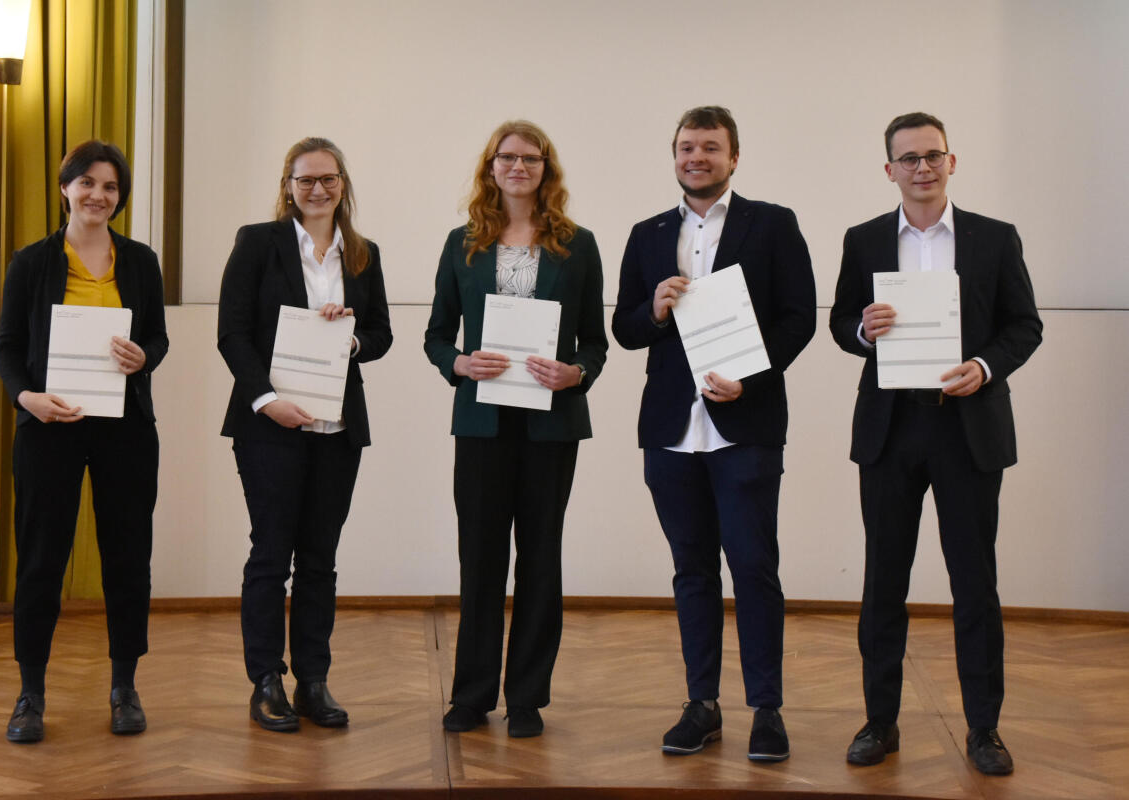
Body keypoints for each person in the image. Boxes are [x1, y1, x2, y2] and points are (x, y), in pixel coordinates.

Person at [829, 112, 1042, 775]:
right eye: (908, 158)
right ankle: (880, 722)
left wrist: (983, 366)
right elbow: (841, 321)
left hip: (968, 428)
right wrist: (862, 330)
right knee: (883, 582)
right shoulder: (864, 239)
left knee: (975, 583)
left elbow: (1024, 326)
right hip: (890, 430)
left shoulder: (995, 238)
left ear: (952, 161)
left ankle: (984, 730)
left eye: (932, 155)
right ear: (888, 170)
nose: (921, 168)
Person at [611, 106, 816, 762]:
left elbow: (799, 318)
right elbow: (624, 328)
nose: (696, 157)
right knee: (691, 571)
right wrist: (653, 310)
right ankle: (701, 704)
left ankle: (766, 710)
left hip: (745, 427)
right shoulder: (648, 233)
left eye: (709, 147)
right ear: (674, 156)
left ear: (734, 157)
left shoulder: (773, 224)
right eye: (685, 147)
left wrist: (750, 379)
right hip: (671, 431)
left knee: (754, 568)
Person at [424, 120, 607, 739]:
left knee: (540, 560)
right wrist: (459, 363)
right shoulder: (462, 243)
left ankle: (527, 697)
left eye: (531, 158)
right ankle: (471, 696)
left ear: (546, 169)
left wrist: (575, 372)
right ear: (491, 167)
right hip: (481, 423)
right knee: (479, 559)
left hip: (551, 427)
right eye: (507, 157)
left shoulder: (578, 245)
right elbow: (436, 334)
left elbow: (595, 342)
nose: (519, 167)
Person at [0, 140, 168, 743]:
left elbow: (157, 338)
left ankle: (124, 688)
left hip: (125, 429)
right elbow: (8, 347)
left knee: (128, 558)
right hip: (49, 428)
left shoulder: (140, 261)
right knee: (41, 559)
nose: (99, 194)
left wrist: (144, 356)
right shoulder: (31, 261)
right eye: (88, 182)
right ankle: (30, 694)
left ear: (120, 197)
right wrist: (27, 397)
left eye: (111, 186)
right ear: (66, 187)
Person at [217, 137, 392, 733]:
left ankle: (313, 680)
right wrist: (266, 401)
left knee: (320, 558)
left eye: (328, 178)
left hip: (336, 428)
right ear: (288, 187)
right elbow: (232, 333)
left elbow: (381, 333)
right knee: (271, 554)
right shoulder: (257, 243)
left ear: (343, 184)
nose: (318, 189)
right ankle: (265, 680)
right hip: (269, 426)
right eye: (306, 179)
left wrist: (353, 336)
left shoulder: (363, 254)